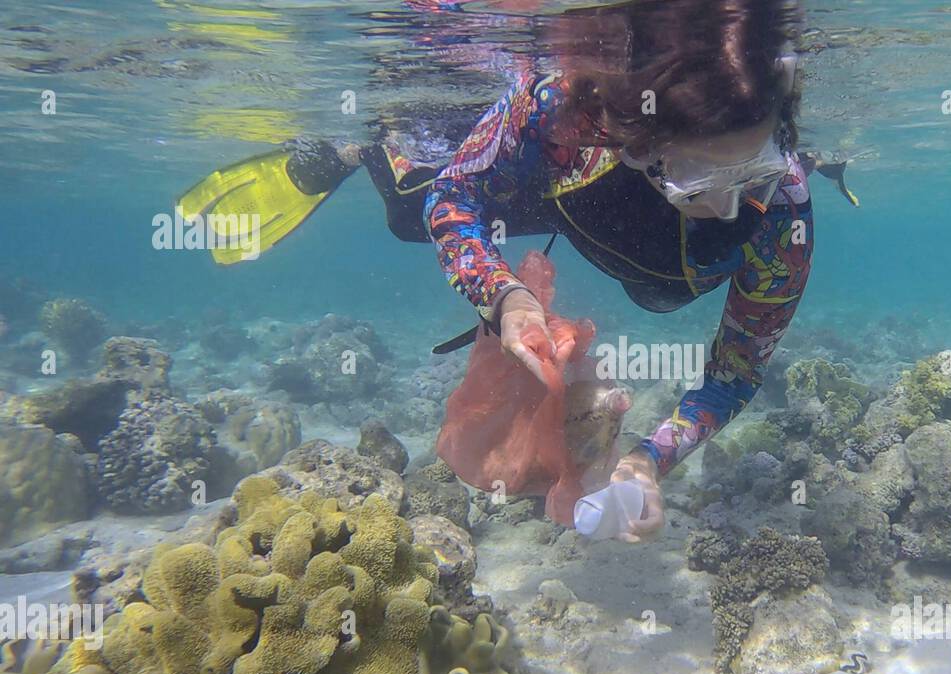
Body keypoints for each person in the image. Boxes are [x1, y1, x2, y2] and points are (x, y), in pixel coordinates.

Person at [179, 0, 856, 542]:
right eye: (696, 177)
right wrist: (502, 297)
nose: (731, 203)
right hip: (559, 193)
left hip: (651, 269)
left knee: (659, 285)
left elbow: (736, 373)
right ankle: (360, 146)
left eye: (759, 168)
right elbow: (456, 197)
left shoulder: (782, 218)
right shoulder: (559, 109)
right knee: (412, 211)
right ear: (638, 142)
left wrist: (650, 457)